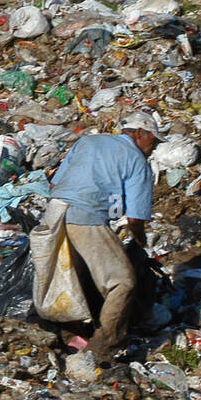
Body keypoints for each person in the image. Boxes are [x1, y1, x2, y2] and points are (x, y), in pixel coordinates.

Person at [48, 111, 162, 357]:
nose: (152, 149)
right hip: (85, 217)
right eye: (153, 142)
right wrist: (140, 242)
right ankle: (104, 346)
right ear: (140, 134)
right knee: (123, 282)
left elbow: (55, 183)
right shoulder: (136, 160)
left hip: (53, 214)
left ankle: (69, 336)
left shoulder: (88, 141)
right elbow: (135, 218)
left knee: (71, 276)